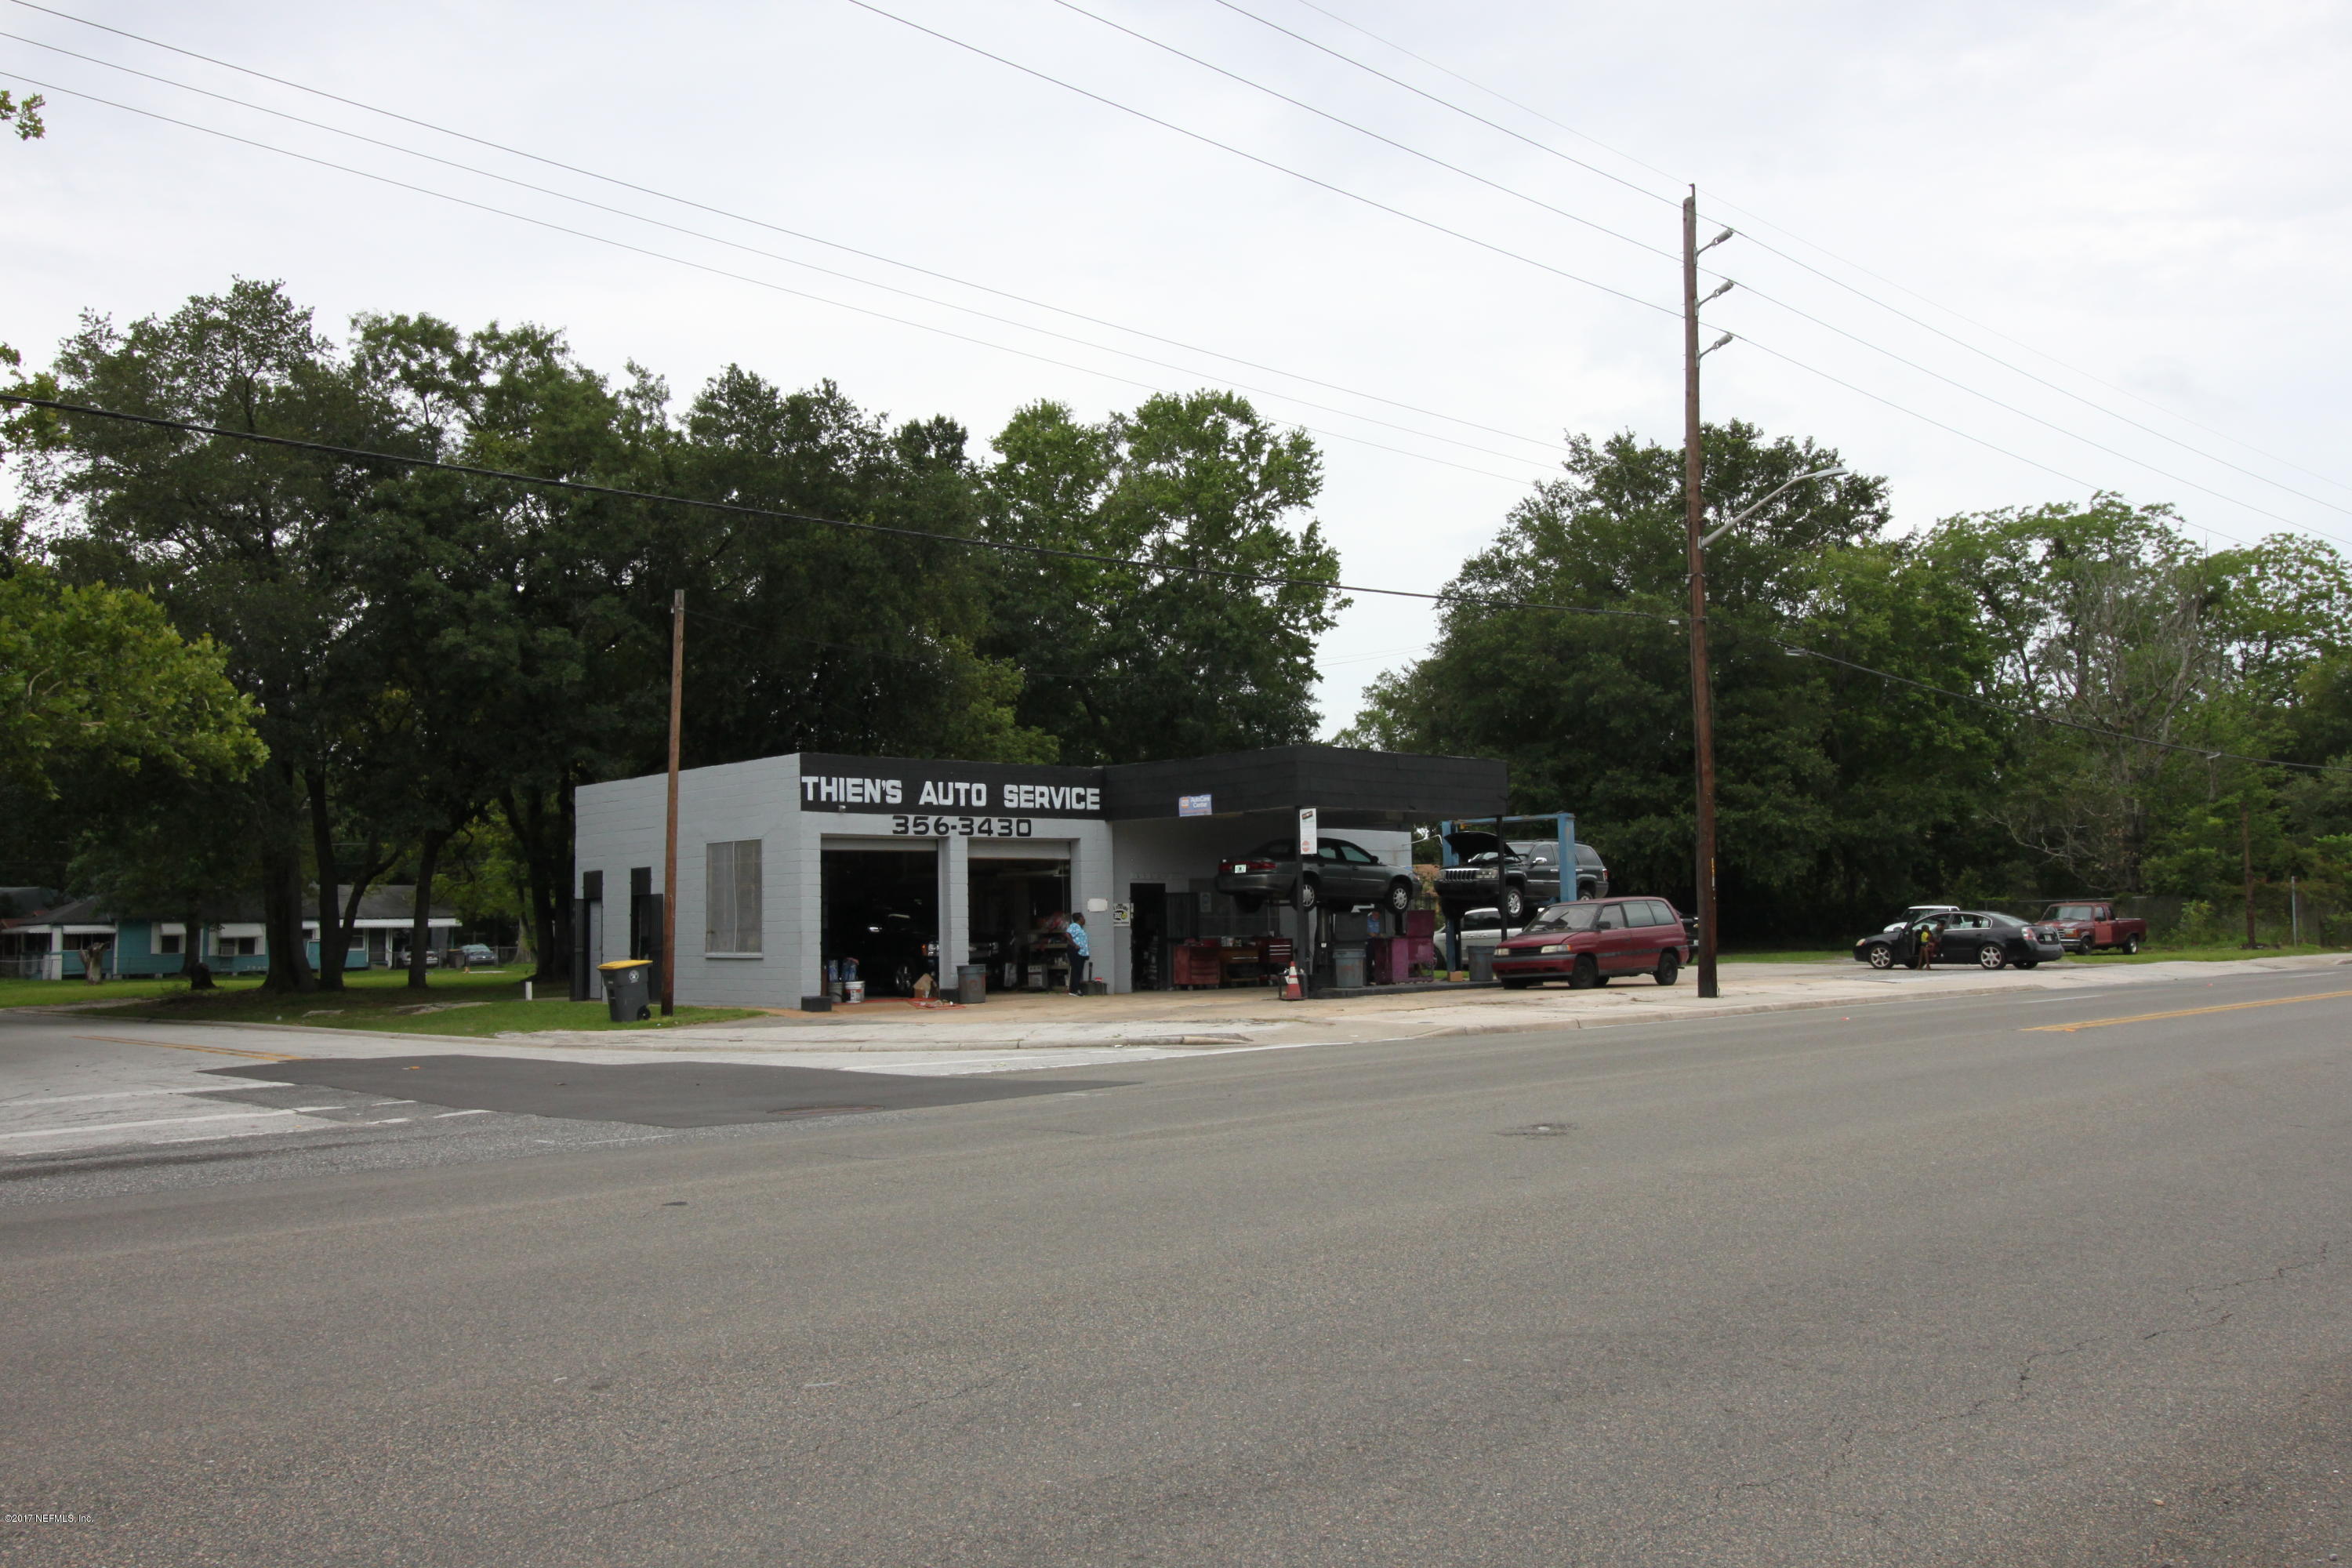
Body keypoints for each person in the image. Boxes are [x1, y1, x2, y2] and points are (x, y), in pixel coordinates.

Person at [1065, 911, 1091, 996]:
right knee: (1077, 970)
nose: (1084, 919)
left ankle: (1075, 989)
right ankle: (1074, 990)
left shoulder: (1080, 928)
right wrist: (1074, 944)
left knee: (1079, 970)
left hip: (1081, 953)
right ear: (1080, 919)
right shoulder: (1074, 926)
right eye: (1083, 917)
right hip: (1075, 951)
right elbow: (1067, 934)